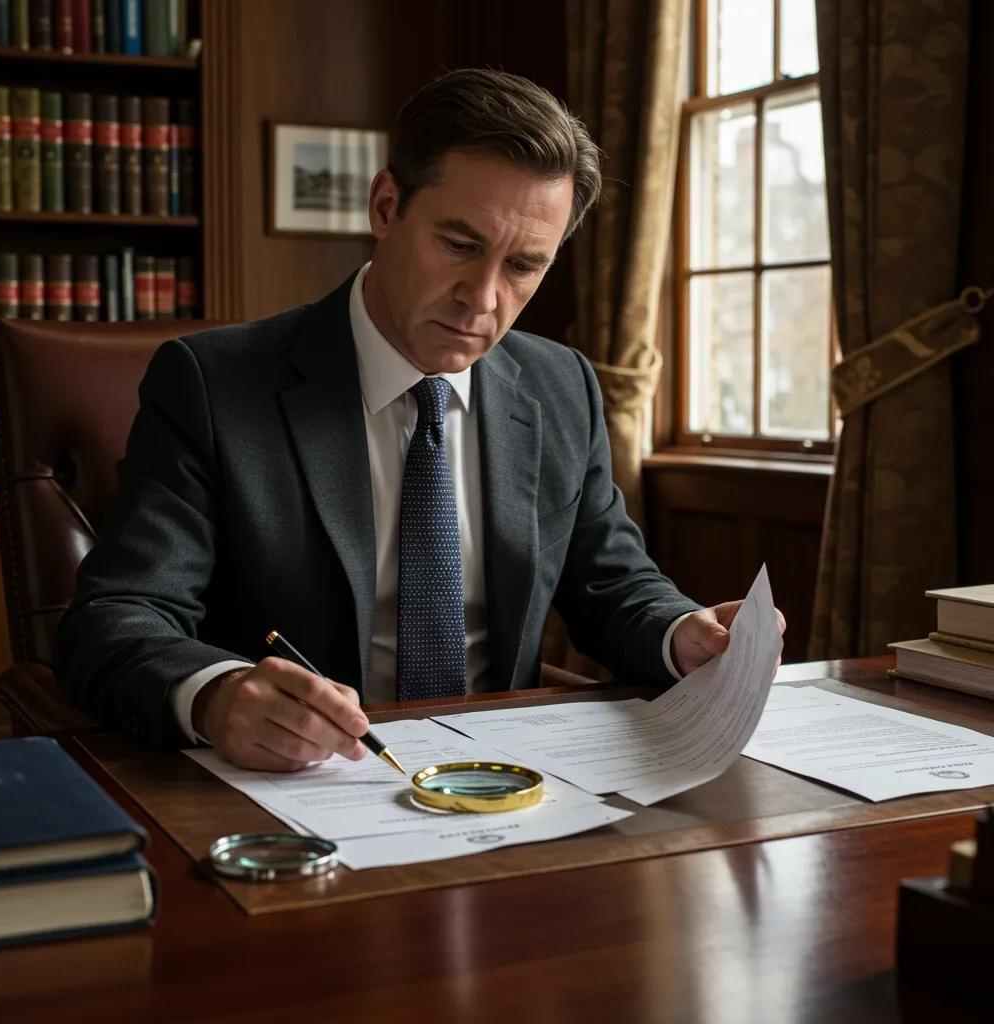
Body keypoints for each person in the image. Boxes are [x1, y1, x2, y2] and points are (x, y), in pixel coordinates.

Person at [54, 68, 784, 771]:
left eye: (524, 266)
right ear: (384, 206)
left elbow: (611, 583)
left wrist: (681, 632)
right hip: (298, 787)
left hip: (507, 782)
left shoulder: (561, 385)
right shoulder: (213, 385)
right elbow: (119, 617)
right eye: (460, 246)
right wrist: (214, 695)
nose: (483, 298)